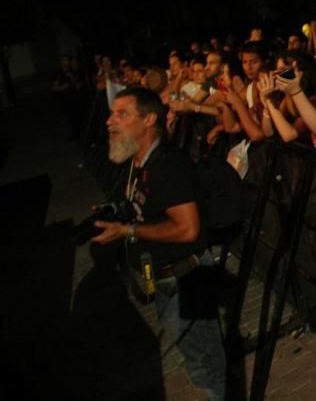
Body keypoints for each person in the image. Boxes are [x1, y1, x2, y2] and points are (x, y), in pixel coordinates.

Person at [92, 87, 225, 400]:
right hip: (167, 279)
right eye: (112, 114)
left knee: (208, 366)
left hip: (190, 278)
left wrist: (129, 232)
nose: (110, 122)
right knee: (196, 361)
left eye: (121, 114)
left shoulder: (167, 165)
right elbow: (146, 209)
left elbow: (187, 230)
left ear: (149, 118)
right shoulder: (138, 162)